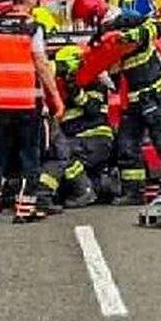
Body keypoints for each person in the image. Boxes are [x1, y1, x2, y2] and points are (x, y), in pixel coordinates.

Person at [71, 0, 161, 203]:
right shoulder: (103, 36)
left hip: (154, 94)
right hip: (131, 102)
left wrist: (131, 36)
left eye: (88, 20)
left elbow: (159, 27)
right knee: (127, 147)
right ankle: (133, 193)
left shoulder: (127, 20)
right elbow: (103, 65)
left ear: (95, 14)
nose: (88, 25)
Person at [0, 0, 65, 222]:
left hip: (0, 103)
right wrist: (56, 99)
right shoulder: (32, 28)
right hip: (27, 103)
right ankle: (24, 210)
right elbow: (41, 65)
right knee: (29, 156)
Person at [47, 44, 109, 207]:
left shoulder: (94, 82)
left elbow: (93, 109)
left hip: (92, 138)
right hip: (79, 139)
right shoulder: (60, 88)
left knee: (60, 155)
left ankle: (84, 191)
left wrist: (74, 89)